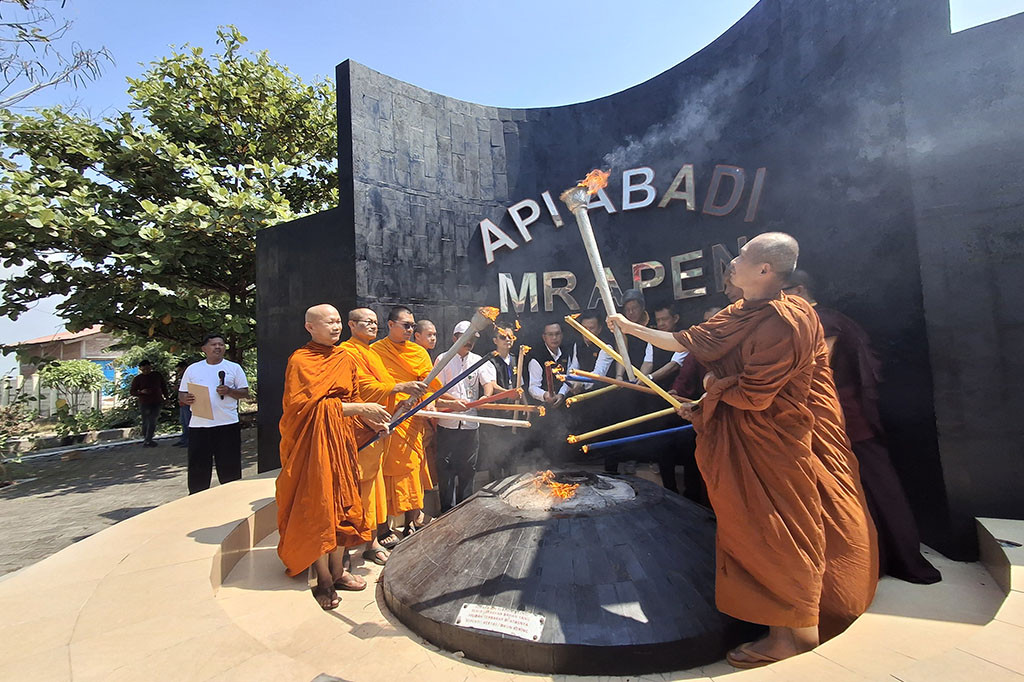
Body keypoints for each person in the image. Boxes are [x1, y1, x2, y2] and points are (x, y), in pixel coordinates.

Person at [609, 232, 876, 668]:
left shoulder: (788, 320)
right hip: (747, 438)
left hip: (776, 445)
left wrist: (711, 388)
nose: (732, 262)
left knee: (780, 531)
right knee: (753, 531)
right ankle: (780, 627)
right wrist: (629, 327)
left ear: (765, 269)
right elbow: (686, 341)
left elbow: (755, 394)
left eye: (742, 256)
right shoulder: (740, 312)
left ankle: (796, 636)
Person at [785, 270, 940, 584]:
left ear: (799, 290)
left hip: (844, 418)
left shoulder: (822, 320)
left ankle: (902, 559)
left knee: (877, 487)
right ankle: (877, 558)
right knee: (864, 489)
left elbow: (816, 371)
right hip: (840, 416)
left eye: (782, 294)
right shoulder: (827, 318)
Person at [275, 304, 391, 610]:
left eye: (338, 321)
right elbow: (305, 409)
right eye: (329, 322)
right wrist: (362, 408)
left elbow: (352, 399)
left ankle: (339, 570)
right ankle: (323, 578)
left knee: (343, 504)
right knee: (320, 507)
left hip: (342, 444)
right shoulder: (301, 360)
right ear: (310, 327)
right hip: (313, 447)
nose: (336, 327)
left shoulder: (344, 357)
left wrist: (372, 423)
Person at [341, 307, 428, 565]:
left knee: (374, 489)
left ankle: (372, 542)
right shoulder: (347, 352)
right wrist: (399, 387)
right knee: (355, 488)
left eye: (374, 322)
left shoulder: (370, 352)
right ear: (351, 324)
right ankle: (345, 546)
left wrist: (400, 400)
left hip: (380, 426)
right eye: (366, 321)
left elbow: (383, 386)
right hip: (359, 428)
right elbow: (363, 387)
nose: (372, 325)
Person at [372, 306, 463, 543]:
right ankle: (383, 529)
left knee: (413, 470)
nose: (410, 330)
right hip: (388, 421)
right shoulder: (375, 352)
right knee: (384, 475)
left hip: (412, 422)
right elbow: (370, 388)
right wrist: (396, 397)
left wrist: (436, 402)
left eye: (412, 326)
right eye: (406, 325)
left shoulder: (419, 352)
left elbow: (429, 387)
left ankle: (411, 523)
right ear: (390, 325)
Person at [178, 334, 249, 494]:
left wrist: (229, 391)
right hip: (199, 425)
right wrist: (185, 398)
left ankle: (232, 497)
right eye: (213, 345)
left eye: (221, 345)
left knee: (229, 466)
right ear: (204, 349)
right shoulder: (193, 369)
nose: (218, 347)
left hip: (227, 424)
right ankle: (197, 498)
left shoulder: (233, 368)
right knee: (198, 467)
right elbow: (182, 393)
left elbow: (245, 393)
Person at [435, 321, 489, 511]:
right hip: (447, 423)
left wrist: (486, 396)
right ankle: (446, 510)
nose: (469, 342)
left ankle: (466, 509)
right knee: (446, 468)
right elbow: (437, 390)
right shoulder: (443, 358)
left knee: (468, 467)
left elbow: (488, 382)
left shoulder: (478, 360)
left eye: (472, 339)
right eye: (465, 338)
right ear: (454, 338)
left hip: (470, 424)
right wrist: (454, 402)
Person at [479, 323, 520, 481]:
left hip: (512, 414)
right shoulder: (490, 360)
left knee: (512, 454)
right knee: (495, 455)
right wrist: (509, 393)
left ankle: (511, 485)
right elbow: (493, 385)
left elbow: (519, 385)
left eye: (510, 336)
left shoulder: (516, 359)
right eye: (503, 337)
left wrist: (523, 405)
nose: (507, 340)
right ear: (495, 340)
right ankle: (495, 486)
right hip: (496, 415)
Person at [129, 359, 168, 447]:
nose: (146, 371)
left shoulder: (157, 375)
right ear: (140, 369)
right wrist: (141, 392)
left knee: (153, 420)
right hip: (145, 402)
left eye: (148, 369)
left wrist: (166, 397)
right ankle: (147, 439)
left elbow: (163, 386)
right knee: (146, 421)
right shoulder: (138, 379)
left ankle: (148, 439)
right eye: (144, 370)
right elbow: (132, 391)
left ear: (151, 367)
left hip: (157, 401)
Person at [173, 360, 191, 448]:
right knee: (183, 422)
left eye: (180, 370)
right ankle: (183, 439)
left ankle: (189, 441)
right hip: (182, 403)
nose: (179, 372)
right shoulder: (180, 378)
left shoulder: (190, 377)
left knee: (188, 422)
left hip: (188, 402)